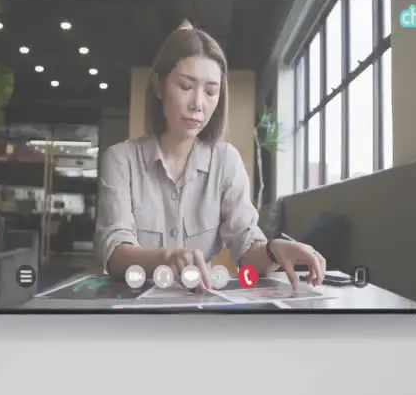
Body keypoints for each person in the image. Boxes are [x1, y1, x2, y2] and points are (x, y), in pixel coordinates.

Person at [95, 21, 326, 290]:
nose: (198, 104)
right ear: (159, 86)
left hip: (199, 308)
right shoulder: (121, 160)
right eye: (185, 86)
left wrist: (275, 249)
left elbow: (247, 247)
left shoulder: (226, 161)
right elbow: (115, 253)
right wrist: (167, 257)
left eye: (210, 91)